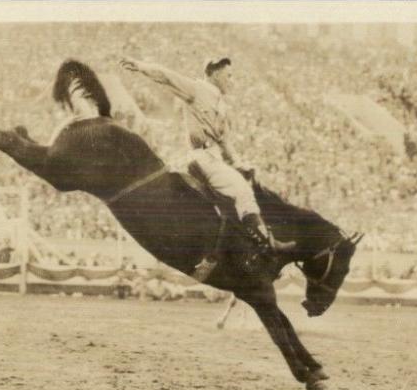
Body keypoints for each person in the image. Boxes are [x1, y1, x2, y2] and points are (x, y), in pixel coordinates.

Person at [119, 56, 297, 258]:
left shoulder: (221, 104)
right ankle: (266, 245)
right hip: (202, 157)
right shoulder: (197, 89)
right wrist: (141, 66)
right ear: (215, 73)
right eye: (229, 75)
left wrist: (239, 163)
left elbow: (225, 141)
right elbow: (166, 76)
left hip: (214, 158)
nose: (232, 80)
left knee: (244, 188)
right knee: (242, 190)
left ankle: (236, 249)